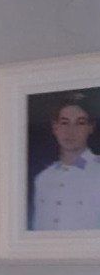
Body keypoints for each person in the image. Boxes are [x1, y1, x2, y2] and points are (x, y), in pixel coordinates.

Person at [32, 93, 100, 230]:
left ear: (90, 127)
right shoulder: (43, 178)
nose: (71, 131)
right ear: (55, 128)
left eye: (80, 123)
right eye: (64, 123)